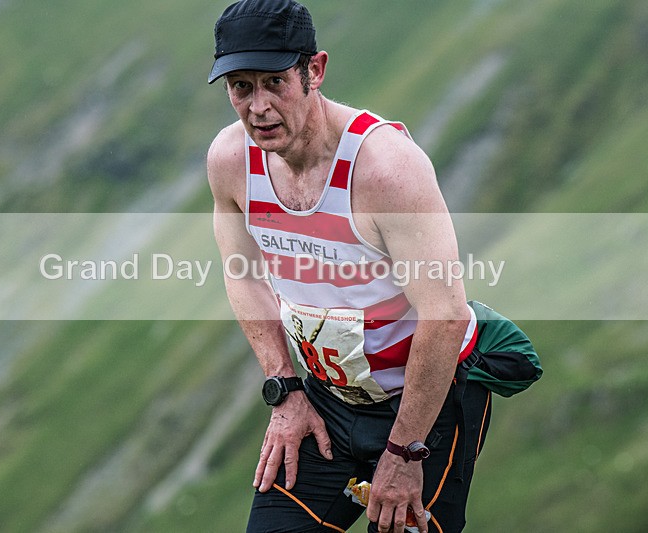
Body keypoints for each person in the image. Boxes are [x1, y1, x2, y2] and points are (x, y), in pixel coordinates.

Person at [206, 1, 491, 532]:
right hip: (323, 400)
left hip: (427, 406)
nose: (258, 107)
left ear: (314, 70)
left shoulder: (385, 167)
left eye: (274, 82)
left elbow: (445, 314)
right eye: (241, 87)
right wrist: (283, 390)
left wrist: (406, 454)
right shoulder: (231, 160)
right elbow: (242, 273)